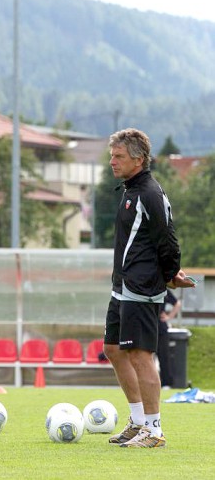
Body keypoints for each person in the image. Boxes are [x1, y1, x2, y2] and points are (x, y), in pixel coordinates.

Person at [103, 128, 195, 448]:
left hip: (142, 287)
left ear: (138, 160)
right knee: (113, 349)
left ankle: (154, 432)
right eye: (112, 156)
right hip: (123, 285)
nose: (112, 162)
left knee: (140, 354)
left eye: (119, 157)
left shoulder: (149, 193)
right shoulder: (130, 190)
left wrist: (170, 274)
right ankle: (138, 421)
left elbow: (167, 239)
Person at [157, 289, 182, 388]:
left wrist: (169, 317)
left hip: (160, 326)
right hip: (146, 325)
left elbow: (177, 303)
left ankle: (166, 383)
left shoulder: (164, 290)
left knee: (163, 356)